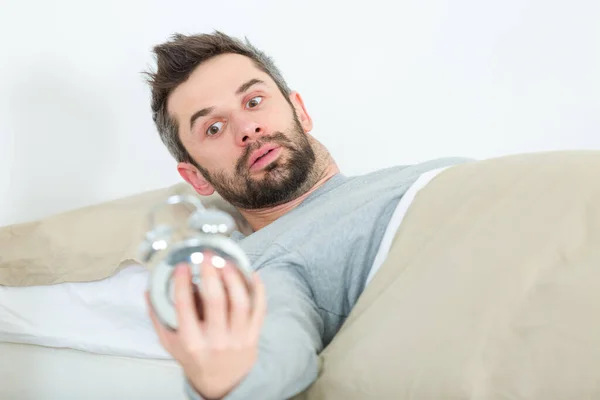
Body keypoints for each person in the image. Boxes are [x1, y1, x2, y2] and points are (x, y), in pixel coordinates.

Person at [143, 31, 469, 399]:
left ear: (300, 110)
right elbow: (272, 358)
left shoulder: (413, 173)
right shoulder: (266, 263)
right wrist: (227, 382)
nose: (248, 129)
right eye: (213, 128)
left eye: (253, 101)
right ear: (197, 178)